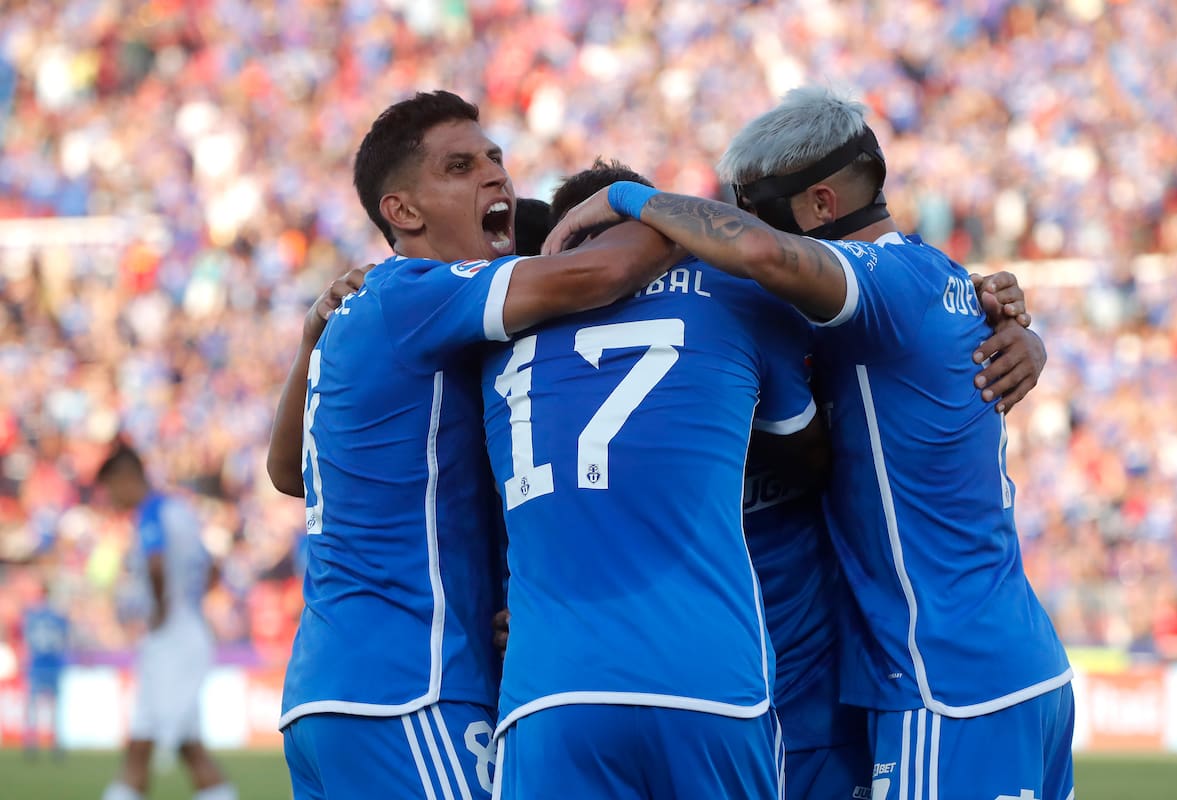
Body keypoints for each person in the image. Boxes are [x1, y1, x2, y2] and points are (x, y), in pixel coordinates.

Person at [546, 86, 1072, 800]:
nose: (740, 235)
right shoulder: (939, 279)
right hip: (1003, 663)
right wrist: (1027, 336)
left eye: (754, 212)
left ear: (822, 207)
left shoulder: (883, 284)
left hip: (944, 678)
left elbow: (766, 257)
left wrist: (627, 202)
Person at [265, 90, 674, 800]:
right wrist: (653, 210)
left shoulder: (370, 310)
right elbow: (602, 273)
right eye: (460, 167)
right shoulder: (418, 293)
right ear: (403, 212)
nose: (495, 178)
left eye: (496, 160)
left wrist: (309, 344)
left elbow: (287, 472)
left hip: (330, 691)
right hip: (410, 685)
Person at [481, 158, 832, 799]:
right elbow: (811, 455)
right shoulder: (736, 296)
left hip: (551, 689)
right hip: (706, 680)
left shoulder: (496, 329)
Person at [95, 443, 235, 800]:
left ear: (126, 478)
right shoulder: (181, 510)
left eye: (110, 487)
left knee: (150, 744)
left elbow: (156, 564)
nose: (110, 497)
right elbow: (213, 568)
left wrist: (160, 609)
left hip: (171, 638)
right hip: (187, 632)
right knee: (178, 746)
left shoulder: (152, 513)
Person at [22, 581, 69, 759]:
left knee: (33, 706)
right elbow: (64, 639)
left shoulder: (32, 616)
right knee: (55, 707)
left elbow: (28, 638)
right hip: (54, 664)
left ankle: (31, 743)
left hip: (37, 664)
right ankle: (55, 744)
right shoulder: (58, 616)